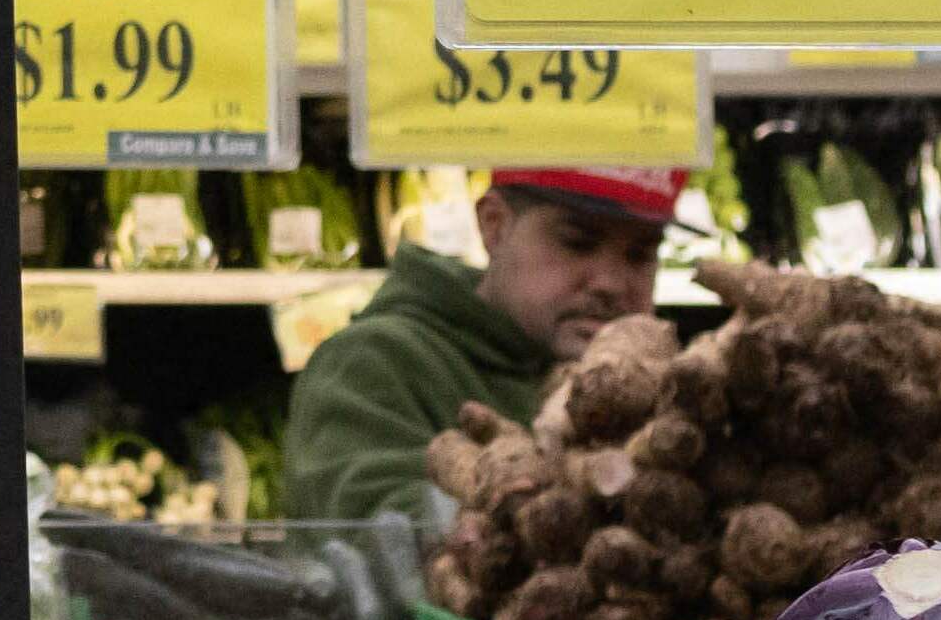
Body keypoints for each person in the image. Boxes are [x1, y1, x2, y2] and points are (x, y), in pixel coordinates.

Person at [280, 161, 686, 527]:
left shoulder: (668, 390)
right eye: (577, 243)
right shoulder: (372, 363)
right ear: (495, 225)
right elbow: (375, 533)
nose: (610, 283)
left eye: (640, 255)